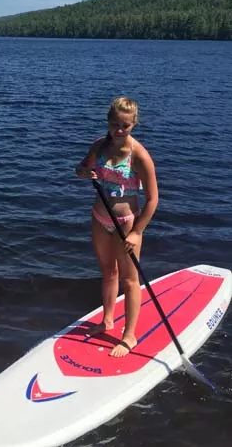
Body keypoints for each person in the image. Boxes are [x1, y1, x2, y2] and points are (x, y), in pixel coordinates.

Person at [75, 97, 158, 357]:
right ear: (108, 122)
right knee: (107, 272)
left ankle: (129, 336)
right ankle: (107, 320)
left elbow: (153, 199)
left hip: (127, 223)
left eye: (125, 125)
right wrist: (84, 173)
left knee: (131, 280)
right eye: (114, 124)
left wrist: (137, 232)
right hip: (100, 218)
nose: (119, 130)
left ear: (133, 124)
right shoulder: (99, 146)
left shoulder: (140, 155)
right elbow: (81, 168)